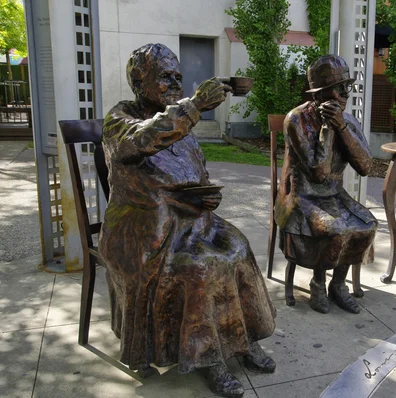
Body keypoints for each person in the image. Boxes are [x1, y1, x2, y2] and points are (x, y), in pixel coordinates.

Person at [100, 43, 276, 398]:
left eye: (179, 78)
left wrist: (204, 194)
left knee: (239, 247)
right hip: (144, 226)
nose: (176, 85)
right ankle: (209, 357)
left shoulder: (178, 120)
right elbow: (143, 141)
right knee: (200, 267)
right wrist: (194, 106)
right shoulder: (120, 120)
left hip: (190, 217)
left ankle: (241, 341)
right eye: (166, 78)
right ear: (139, 79)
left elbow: (195, 171)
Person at [275, 55, 377, 314]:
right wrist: (328, 129)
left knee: (367, 224)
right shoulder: (296, 120)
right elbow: (318, 173)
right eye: (339, 87)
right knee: (336, 229)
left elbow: (365, 168)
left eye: (347, 86)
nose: (345, 93)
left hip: (332, 195)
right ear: (320, 94)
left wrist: (342, 127)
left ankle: (338, 284)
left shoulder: (347, 121)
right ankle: (318, 283)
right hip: (301, 197)